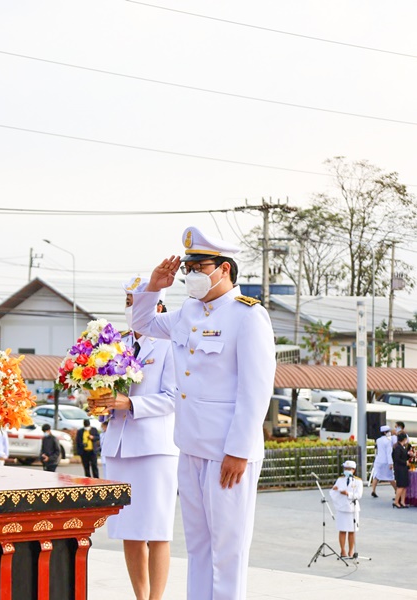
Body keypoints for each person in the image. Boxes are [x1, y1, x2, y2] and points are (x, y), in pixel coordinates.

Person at [132, 226, 276, 600]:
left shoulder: (248, 316)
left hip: (227, 451)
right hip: (191, 445)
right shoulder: (187, 313)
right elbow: (142, 324)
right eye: (187, 267)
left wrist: (239, 450)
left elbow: (255, 390)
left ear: (224, 269)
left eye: (199, 266)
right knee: (197, 546)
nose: (190, 274)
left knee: (227, 550)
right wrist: (155, 286)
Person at [90, 277, 178, 600]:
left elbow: (174, 397)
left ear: (157, 305)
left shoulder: (170, 343)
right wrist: (101, 405)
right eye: (127, 302)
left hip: (155, 449)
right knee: (129, 530)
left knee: (156, 530)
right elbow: (111, 396)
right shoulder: (116, 346)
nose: (130, 309)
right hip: (119, 446)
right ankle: (141, 598)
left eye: (135, 302)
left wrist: (131, 403)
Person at [330, 460, 363, 558]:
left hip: (353, 508)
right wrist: (335, 490)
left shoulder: (358, 481)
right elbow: (333, 491)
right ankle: (343, 550)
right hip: (342, 507)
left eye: (349, 469)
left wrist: (348, 494)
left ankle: (351, 550)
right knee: (342, 530)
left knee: (352, 530)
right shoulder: (340, 479)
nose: (347, 470)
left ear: (353, 470)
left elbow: (358, 495)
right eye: (345, 469)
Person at [370, 425, 395, 498]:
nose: (389, 433)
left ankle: (373, 490)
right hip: (386, 461)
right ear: (385, 432)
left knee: (376, 475)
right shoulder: (388, 441)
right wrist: (391, 463)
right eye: (388, 432)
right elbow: (389, 453)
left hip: (378, 460)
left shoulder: (378, 440)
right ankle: (396, 490)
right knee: (390, 477)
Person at [392, 432, 411, 508]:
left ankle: (403, 501)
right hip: (400, 468)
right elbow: (397, 459)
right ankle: (396, 501)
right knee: (400, 485)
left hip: (404, 468)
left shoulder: (402, 447)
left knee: (404, 485)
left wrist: (409, 455)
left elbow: (404, 456)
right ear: (404, 439)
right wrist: (405, 462)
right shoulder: (397, 447)